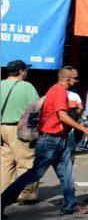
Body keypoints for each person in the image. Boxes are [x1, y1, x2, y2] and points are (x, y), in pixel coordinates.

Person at [1, 66, 88, 217]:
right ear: (68, 79)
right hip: (50, 140)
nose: (77, 80)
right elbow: (62, 116)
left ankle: (70, 205)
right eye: (76, 78)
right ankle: (2, 201)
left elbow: (58, 112)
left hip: (59, 139)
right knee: (33, 174)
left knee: (67, 174)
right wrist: (83, 129)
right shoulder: (58, 91)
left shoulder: (57, 91)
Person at [0, 60, 40, 204]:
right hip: (20, 130)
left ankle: (5, 194)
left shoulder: (1, 84)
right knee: (26, 162)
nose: (27, 72)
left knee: (6, 164)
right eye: (26, 70)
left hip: (2, 128)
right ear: (21, 71)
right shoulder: (27, 87)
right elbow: (36, 108)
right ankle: (27, 194)